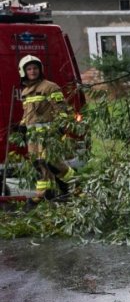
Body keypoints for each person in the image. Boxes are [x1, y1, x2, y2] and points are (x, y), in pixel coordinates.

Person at [17, 55, 77, 200]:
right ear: (23, 71)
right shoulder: (25, 92)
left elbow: (61, 109)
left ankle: (75, 186)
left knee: (52, 161)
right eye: (29, 69)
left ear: (40, 70)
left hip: (48, 133)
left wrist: (61, 127)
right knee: (38, 163)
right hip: (33, 135)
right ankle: (44, 194)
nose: (32, 71)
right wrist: (21, 126)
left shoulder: (50, 87)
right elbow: (28, 112)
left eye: (35, 68)